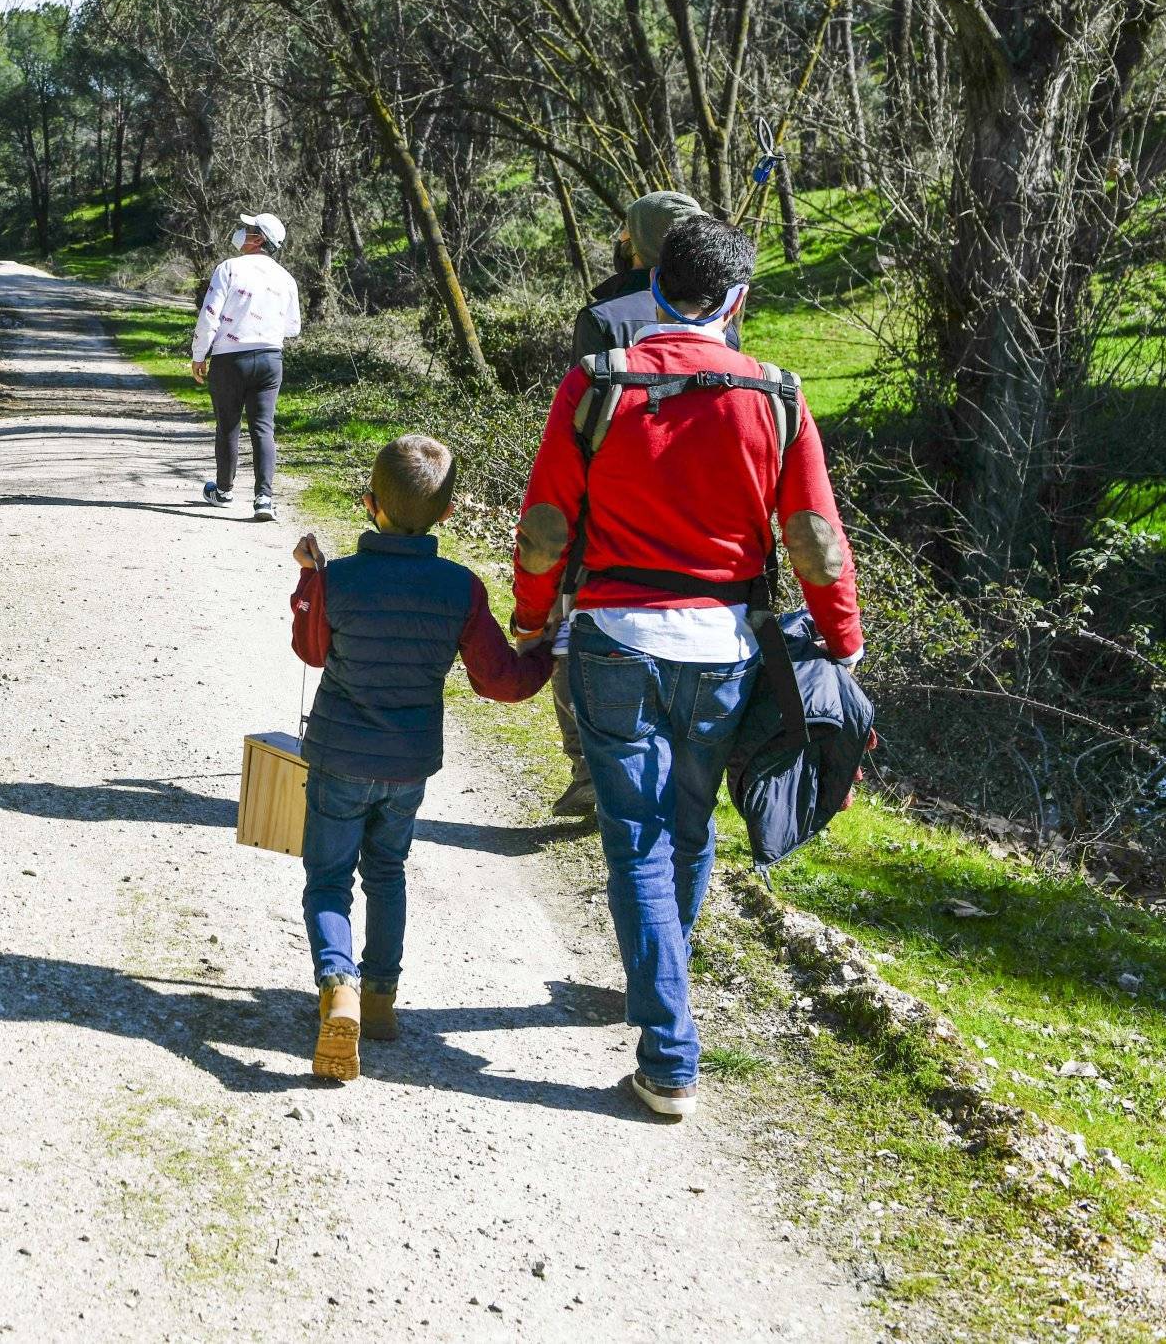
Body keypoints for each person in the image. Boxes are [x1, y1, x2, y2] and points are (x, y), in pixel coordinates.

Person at [510, 217, 861, 1121]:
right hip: (724, 649)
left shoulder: (598, 382)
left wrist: (530, 614)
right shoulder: (778, 395)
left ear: (652, 284)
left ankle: (668, 1046)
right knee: (689, 829)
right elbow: (817, 542)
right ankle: (659, 995)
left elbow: (547, 521)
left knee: (634, 837)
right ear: (738, 301)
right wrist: (844, 639)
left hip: (613, 638)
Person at [288, 434, 552, 1083]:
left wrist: (308, 578)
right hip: (408, 767)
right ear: (450, 512)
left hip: (338, 757)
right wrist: (550, 645)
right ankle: (378, 1000)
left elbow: (311, 650)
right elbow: (501, 681)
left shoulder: (339, 578)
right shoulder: (459, 588)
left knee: (327, 880)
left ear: (368, 503)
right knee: (388, 872)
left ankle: (338, 983)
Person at [546, 191, 747, 821]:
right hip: (704, 509)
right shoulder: (722, 311)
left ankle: (589, 762)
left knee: (574, 625)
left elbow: (579, 411)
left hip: (610, 500)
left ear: (638, 240)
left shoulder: (603, 312)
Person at [190, 211, 302, 521]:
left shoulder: (228, 269)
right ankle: (264, 498)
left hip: (230, 359)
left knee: (228, 424)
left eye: (248, 228)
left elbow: (209, 315)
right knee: (263, 427)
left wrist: (199, 355)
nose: (242, 231)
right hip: (270, 359)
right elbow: (293, 327)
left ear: (259, 239)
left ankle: (223, 490)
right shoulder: (286, 278)